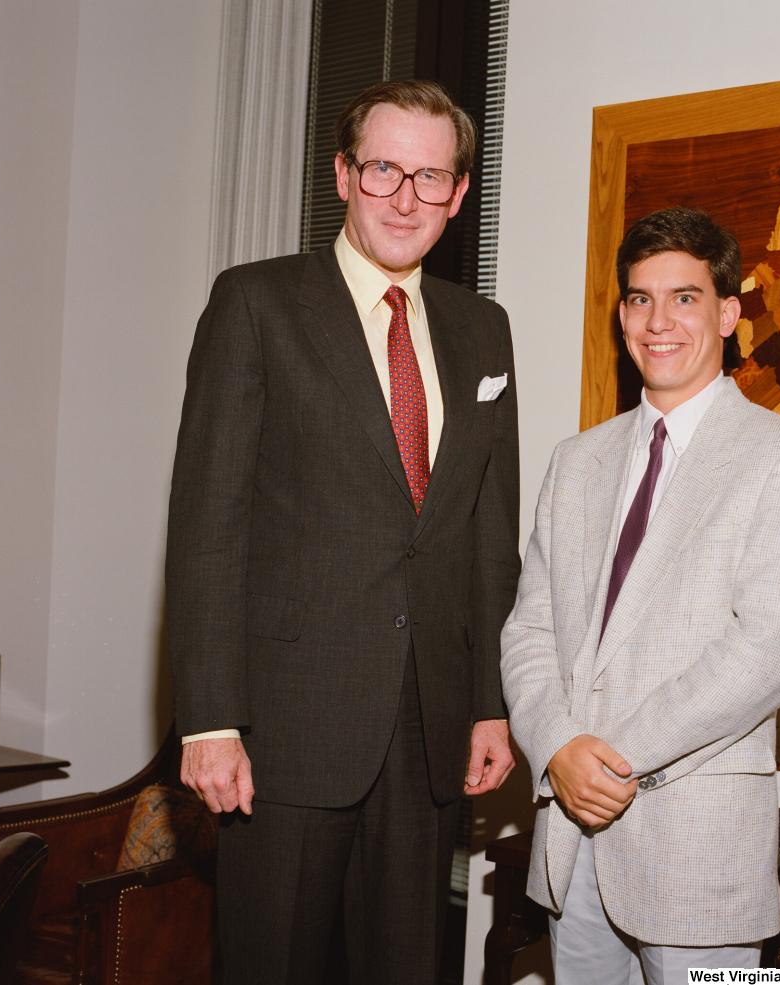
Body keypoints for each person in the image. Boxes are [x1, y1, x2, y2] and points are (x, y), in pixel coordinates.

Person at [166, 79, 520, 984]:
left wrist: (490, 699)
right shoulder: (255, 303)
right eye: (384, 169)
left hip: (429, 724)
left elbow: (487, 531)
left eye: (431, 177)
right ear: (342, 175)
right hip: (283, 728)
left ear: (461, 192)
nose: (406, 197)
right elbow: (208, 525)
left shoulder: (485, 331)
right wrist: (209, 718)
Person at [501, 207, 780, 985]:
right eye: (640, 298)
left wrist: (608, 760)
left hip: (694, 847)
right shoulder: (576, 460)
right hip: (571, 845)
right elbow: (529, 628)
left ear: (727, 313)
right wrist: (555, 745)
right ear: (622, 313)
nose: (658, 321)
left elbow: (766, 652)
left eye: (684, 297)